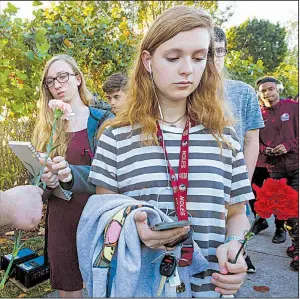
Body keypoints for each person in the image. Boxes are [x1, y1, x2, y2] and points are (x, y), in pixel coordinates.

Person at [83, 6, 253, 297]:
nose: (187, 68)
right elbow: (105, 217)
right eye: (173, 57)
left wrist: (235, 245)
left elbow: (237, 213)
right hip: (141, 287)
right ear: (148, 61)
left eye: (199, 58)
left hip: (209, 287)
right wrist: (135, 231)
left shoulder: (225, 137)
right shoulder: (115, 136)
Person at [31, 54, 114, 298]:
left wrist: (70, 174)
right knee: (68, 288)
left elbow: (111, 174)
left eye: (62, 76)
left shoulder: (103, 121)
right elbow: (37, 184)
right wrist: (46, 181)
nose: (56, 84)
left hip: (97, 216)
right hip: (61, 218)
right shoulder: (48, 128)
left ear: (78, 79)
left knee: (104, 284)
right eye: (50, 81)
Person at [213, 26, 264, 273]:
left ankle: (241, 253)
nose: (214, 58)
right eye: (207, 52)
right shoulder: (185, 88)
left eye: (219, 51)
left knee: (237, 220)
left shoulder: (243, 92)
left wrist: (245, 178)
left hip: (234, 176)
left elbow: (251, 140)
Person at [256, 76, 299, 271]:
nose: (267, 93)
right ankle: (296, 242)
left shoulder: (292, 107)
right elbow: (254, 142)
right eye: (263, 90)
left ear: (278, 90)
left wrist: (288, 146)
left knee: (297, 207)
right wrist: (266, 150)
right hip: (275, 169)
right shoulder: (258, 114)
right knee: (286, 211)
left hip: (296, 165)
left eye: (271, 89)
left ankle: (298, 249)